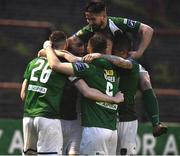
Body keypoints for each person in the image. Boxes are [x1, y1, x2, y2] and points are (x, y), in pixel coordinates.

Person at [68, 0, 167, 136]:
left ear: (103, 15)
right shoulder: (89, 29)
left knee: (145, 80)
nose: (89, 22)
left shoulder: (117, 23)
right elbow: (70, 41)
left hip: (122, 62)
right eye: (87, 18)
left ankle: (156, 123)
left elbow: (147, 30)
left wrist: (139, 52)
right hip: (102, 65)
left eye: (92, 18)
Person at [21, 31, 123, 156]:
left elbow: (23, 94)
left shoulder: (33, 62)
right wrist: (113, 99)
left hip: (30, 116)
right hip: (51, 116)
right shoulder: (70, 67)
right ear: (66, 46)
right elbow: (85, 90)